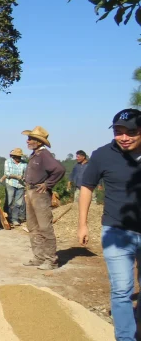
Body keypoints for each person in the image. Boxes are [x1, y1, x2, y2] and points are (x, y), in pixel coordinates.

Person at [78, 109, 141, 341]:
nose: (124, 137)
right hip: (116, 231)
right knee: (122, 289)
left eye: (131, 132)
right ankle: (126, 337)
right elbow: (87, 187)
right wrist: (82, 224)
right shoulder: (102, 155)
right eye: (118, 132)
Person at [21, 126, 65, 270]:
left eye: (31, 139)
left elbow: (59, 169)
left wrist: (48, 184)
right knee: (33, 227)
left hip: (40, 194)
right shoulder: (35, 154)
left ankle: (51, 260)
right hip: (31, 192)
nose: (27, 141)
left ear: (39, 142)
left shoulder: (44, 155)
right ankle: (38, 257)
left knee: (45, 227)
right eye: (28, 138)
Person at [0, 148, 27, 226]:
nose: (18, 158)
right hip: (11, 183)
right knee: (10, 201)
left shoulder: (24, 164)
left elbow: (26, 174)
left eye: (20, 156)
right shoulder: (8, 162)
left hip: (21, 185)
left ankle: (15, 219)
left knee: (18, 203)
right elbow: (7, 173)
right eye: (17, 156)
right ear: (13, 156)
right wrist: (16, 176)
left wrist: (24, 178)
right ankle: (7, 218)